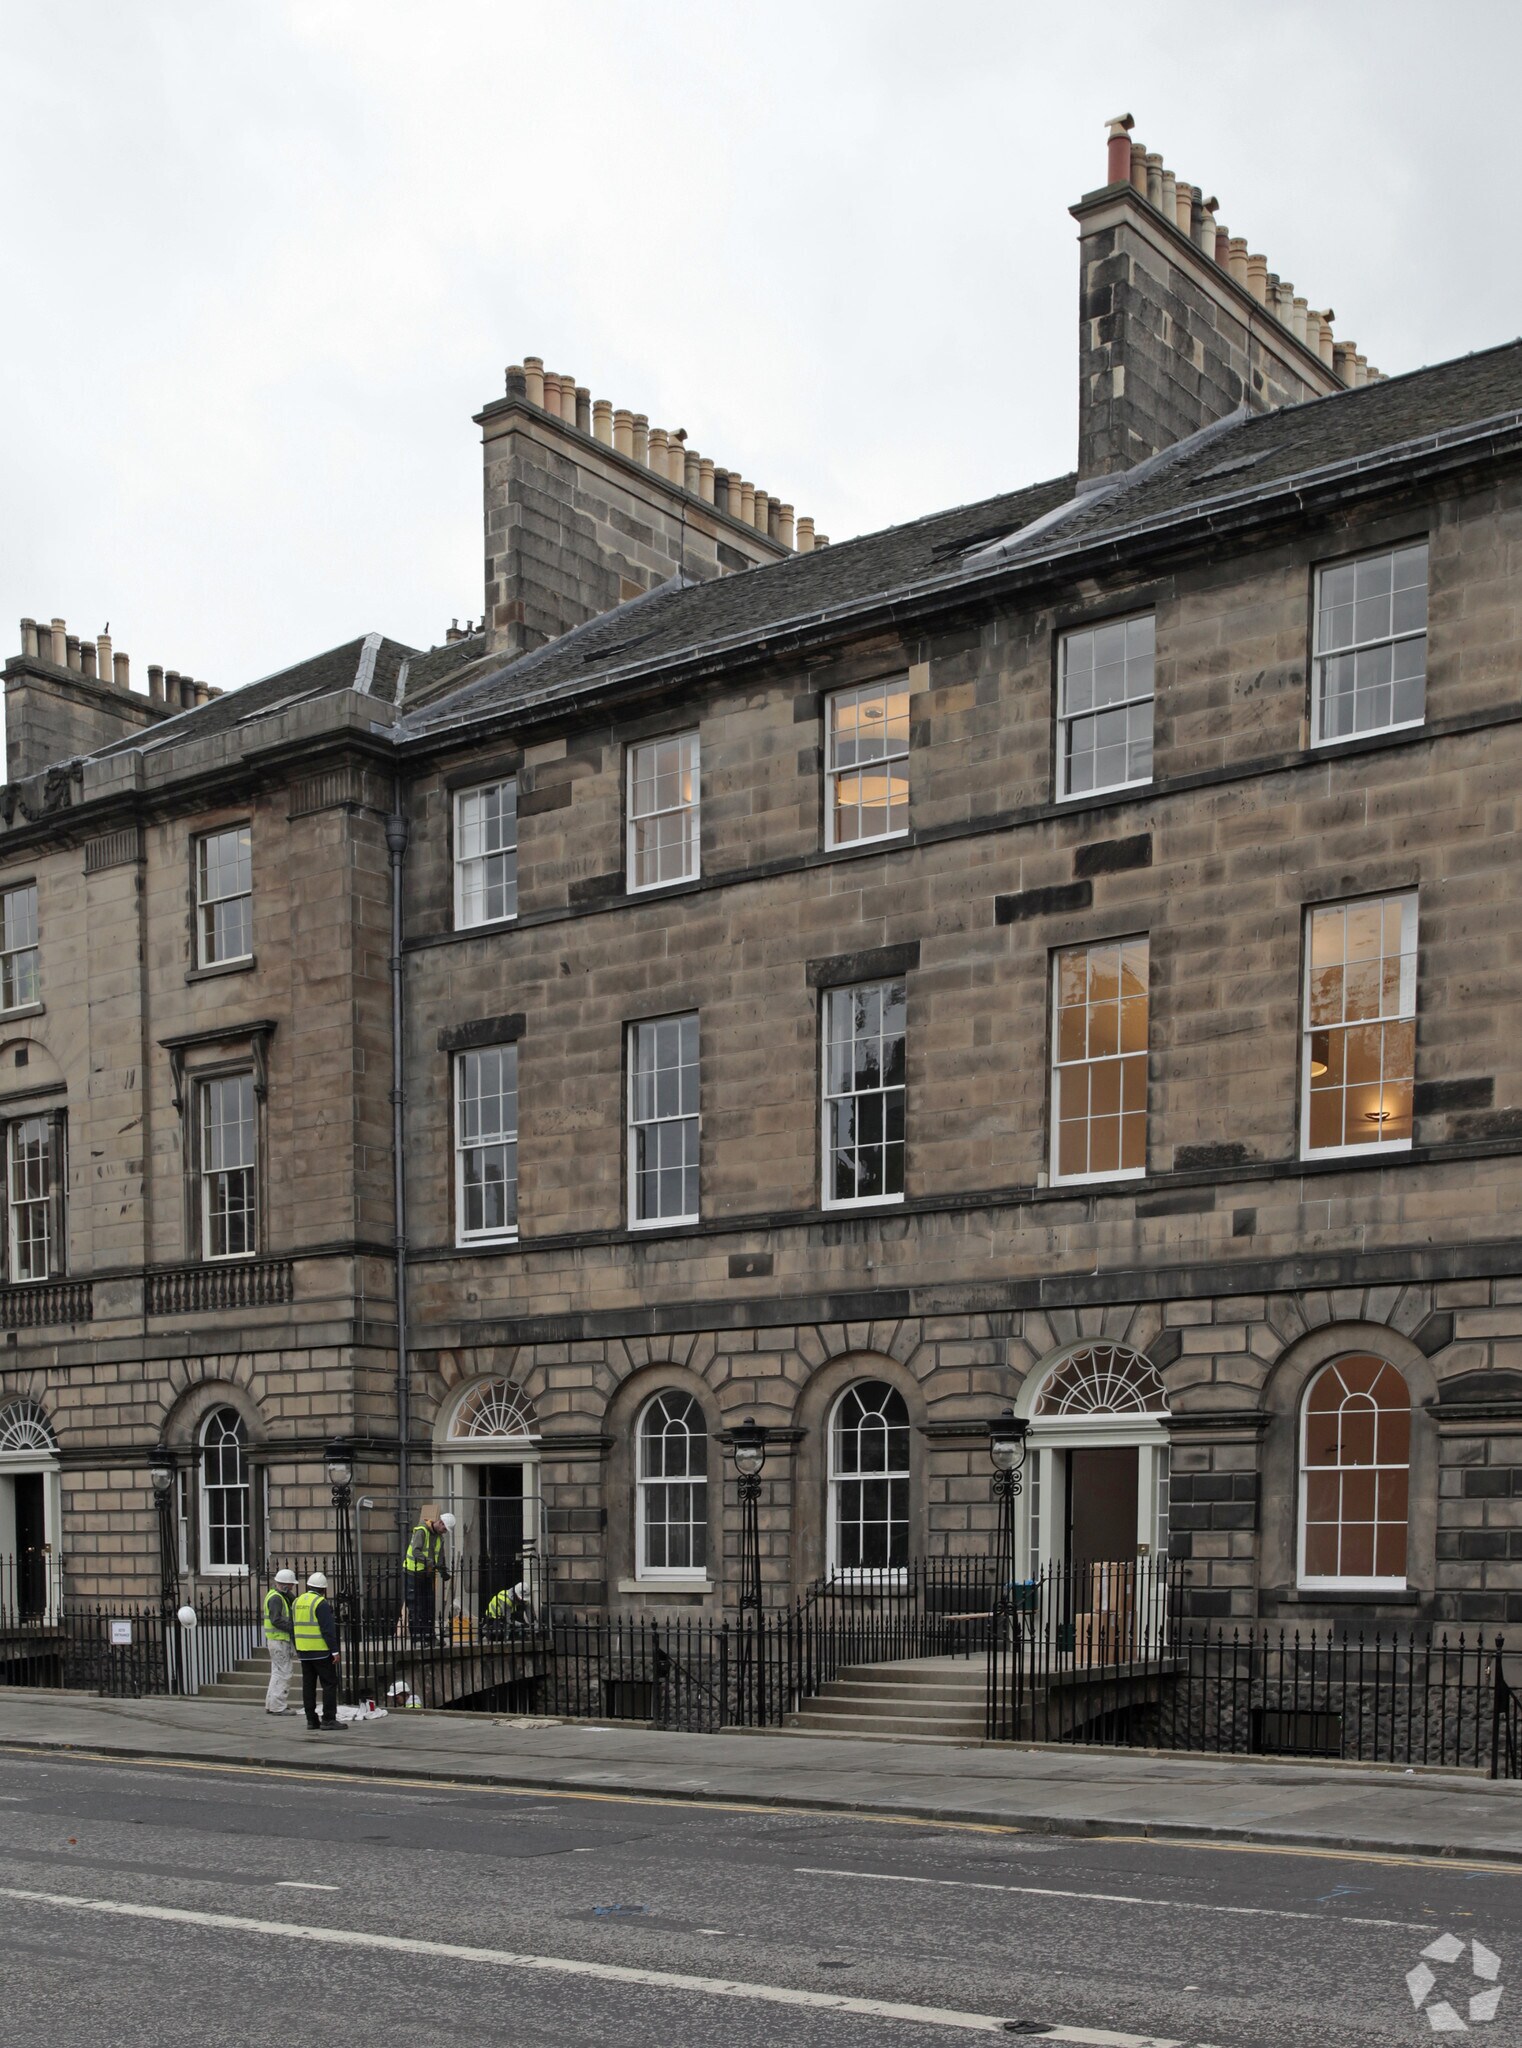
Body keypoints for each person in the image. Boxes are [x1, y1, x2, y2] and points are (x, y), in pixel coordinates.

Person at [292, 1570, 343, 1731]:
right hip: (320, 1651)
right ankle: (328, 1719)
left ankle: (311, 1720)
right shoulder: (320, 1603)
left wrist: (298, 1646)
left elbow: (292, 1626)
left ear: (308, 1586)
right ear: (324, 1589)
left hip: (304, 1651)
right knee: (329, 1684)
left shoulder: (297, 1602)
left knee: (308, 1685)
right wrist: (334, 1651)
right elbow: (328, 1630)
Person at [402, 1511, 455, 1642]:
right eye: (444, 1528)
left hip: (427, 1574)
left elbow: (440, 1556)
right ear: (440, 1522)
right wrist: (431, 1563)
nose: (445, 1531)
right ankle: (417, 1638)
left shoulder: (439, 1537)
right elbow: (415, 1551)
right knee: (416, 1607)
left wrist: (443, 1571)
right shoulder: (422, 1531)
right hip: (412, 1573)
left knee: (429, 1607)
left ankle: (429, 1636)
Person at [263, 1567, 299, 1715]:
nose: (292, 1587)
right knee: (284, 1673)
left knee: (277, 1673)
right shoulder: (276, 1598)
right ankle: (278, 1707)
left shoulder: (277, 1595)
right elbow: (276, 1620)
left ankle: (271, 1705)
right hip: (279, 1640)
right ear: (284, 1584)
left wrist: (289, 1594)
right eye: (290, 1585)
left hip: (276, 1641)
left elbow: (294, 1601)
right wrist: (294, 1627)